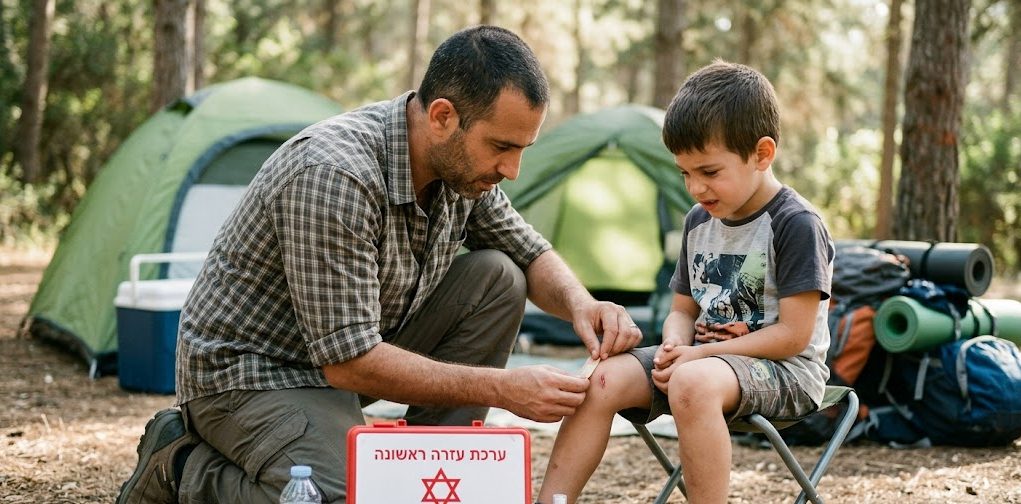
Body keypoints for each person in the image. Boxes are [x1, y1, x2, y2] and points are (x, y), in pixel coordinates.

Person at [116, 25, 643, 504]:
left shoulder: (461, 169)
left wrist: (583, 304)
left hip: (348, 355)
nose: (512, 169)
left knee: (500, 277)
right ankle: (181, 469)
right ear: (442, 117)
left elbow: (528, 253)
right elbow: (349, 361)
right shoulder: (334, 174)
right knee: (354, 495)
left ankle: (434, 473)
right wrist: (504, 389)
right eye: (502, 147)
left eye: (523, 148)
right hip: (251, 375)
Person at [536, 60, 835, 504]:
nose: (695, 188)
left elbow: (794, 335)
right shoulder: (699, 220)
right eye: (684, 173)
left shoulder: (795, 223)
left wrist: (700, 355)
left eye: (709, 172)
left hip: (787, 372)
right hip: (702, 362)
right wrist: (676, 344)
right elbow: (682, 310)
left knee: (692, 382)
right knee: (601, 379)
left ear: (762, 154)